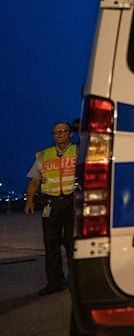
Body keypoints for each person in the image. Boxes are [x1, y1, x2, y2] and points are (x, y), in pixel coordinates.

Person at [25, 121, 77, 295]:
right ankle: (54, 283)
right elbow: (34, 180)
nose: (60, 134)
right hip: (51, 204)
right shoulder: (43, 155)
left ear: (70, 134)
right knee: (51, 245)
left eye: (64, 131)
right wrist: (29, 201)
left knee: (73, 244)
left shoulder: (78, 152)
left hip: (72, 202)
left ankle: (75, 281)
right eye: (56, 132)